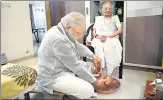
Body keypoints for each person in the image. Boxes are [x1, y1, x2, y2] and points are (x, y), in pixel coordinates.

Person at [35, 12, 108, 99]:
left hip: (61, 67)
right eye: (78, 33)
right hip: (52, 77)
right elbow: (75, 66)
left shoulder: (62, 30)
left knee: (86, 67)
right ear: (68, 27)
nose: (80, 36)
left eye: (81, 33)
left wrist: (93, 56)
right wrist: (95, 82)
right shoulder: (58, 39)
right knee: (88, 90)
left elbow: (77, 45)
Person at [91, 1, 123, 76]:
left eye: (109, 8)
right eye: (106, 8)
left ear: (112, 9)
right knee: (99, 47)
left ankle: (109, 73)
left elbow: (120, 30)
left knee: (109, 48)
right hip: (99, 38)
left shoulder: (115, 18)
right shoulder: (98, 18)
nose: (108, 10)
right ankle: (100, 71)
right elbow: (94, 30)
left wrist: (109, 37)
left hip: (111, 37)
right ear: (102, 10)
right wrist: (97, 37)